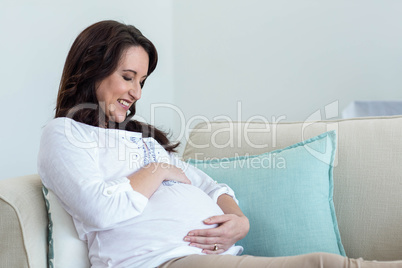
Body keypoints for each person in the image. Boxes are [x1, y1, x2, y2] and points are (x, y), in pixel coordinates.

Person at [38, 20, 402, 268]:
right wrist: (159, 169)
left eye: (142, 81)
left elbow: (208, 185)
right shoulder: (64, 135)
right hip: (161, 261)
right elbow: (101, 210)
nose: (135, 92)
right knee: (321, 265)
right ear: (91, 69)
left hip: (215, 257)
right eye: (127, 77)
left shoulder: (140, 138)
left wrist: (239, 221)